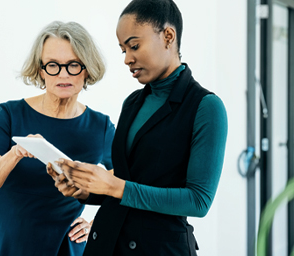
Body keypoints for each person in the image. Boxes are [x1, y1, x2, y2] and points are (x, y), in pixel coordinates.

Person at [47, 0, 228, 255]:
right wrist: (86, 190)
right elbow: (127, 181)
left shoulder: (205, 106)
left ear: (168, 36)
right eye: (123, 50)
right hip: (106, 243)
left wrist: (113, 186)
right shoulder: (132, 103)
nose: (127, 59)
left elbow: (198, 201)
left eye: (134, 46)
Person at [0, 21, 115, 256]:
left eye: (73, 65)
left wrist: (100, 222)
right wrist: (16, 152)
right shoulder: (11, 114)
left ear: (87, 69)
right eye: (53, 65)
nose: (63, 74)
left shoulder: (101, 127)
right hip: (5, 244)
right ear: (41, 70)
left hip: (63, 248)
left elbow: (128, 185)